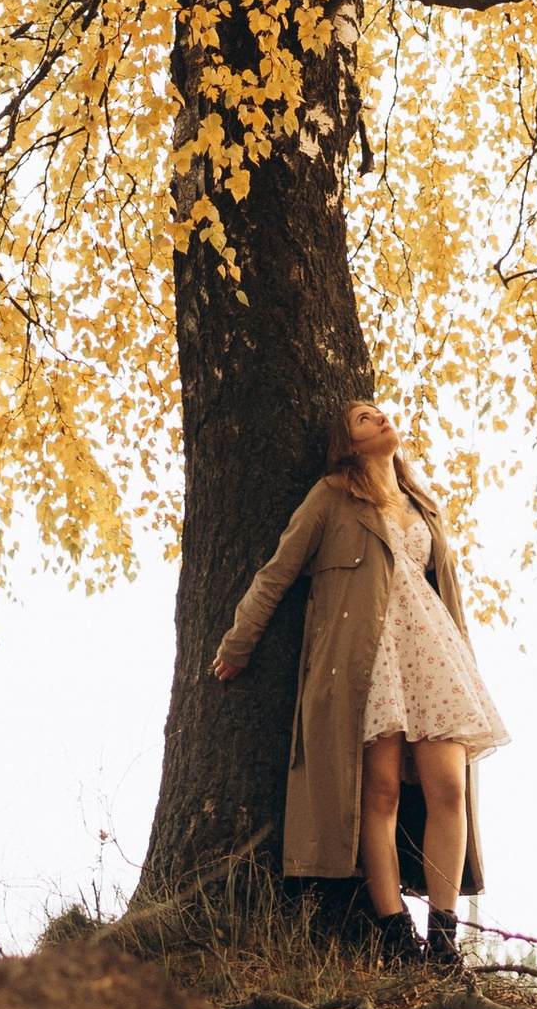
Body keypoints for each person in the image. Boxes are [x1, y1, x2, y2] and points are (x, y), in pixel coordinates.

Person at [210, 395, 509, 967]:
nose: (381, 417)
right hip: (366, 663)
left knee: (448, 790)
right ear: (348, 443)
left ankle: (444, 937)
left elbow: (448, 597)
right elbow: (276, 574)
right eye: (364, 418)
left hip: (433, 656)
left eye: (381, 410)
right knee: (381, 793)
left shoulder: (423, 504)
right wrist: (239, 642)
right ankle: (395, 930)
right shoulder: (331, 498)